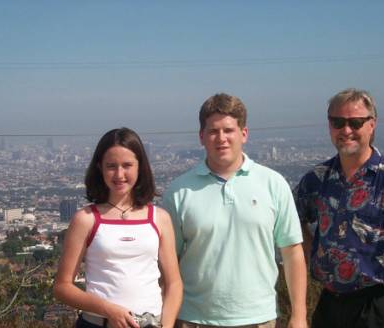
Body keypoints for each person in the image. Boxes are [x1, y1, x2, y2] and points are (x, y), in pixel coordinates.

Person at [294, 88, 384, 328]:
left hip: (377, 303)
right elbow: (290, 219)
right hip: (330, 303)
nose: (346, 130)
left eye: (356, 122)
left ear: (372, 125)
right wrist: (313, 252)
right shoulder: (317, 179)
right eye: (338, 122)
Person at [163, 93, 307, 328]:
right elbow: (168, 265)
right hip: (194, 319)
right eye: (213, 131)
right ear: (201, 137)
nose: (221, 138)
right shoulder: (178, 192)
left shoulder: (273, 183)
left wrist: (299, 316)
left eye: (229, 130)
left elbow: (292, 253)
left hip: (259, 318)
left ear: (244, 134)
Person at [54, 128, 183, 328]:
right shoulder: (86, 219)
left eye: (127, 165)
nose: (119, 174)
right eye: (111, 166)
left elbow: (173, 283)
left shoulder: (159, 218)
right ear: (100, 168)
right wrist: (108, 309)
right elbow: (62, 286)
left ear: (140, 167)